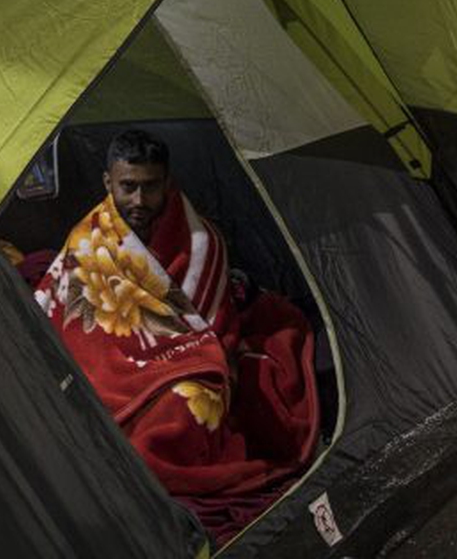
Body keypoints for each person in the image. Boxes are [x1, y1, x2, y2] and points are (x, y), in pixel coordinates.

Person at [33, 129, 321, 537]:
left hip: (182, 364)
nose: (138, 200)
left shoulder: (203, 241)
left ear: (166, 183)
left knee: (187, 409)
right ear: (107, 183)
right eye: (127, 187)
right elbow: (64, 309)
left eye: (149, 187)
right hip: (112, 370)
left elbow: (214, 328)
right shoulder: (88, 237)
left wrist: (182, 364)